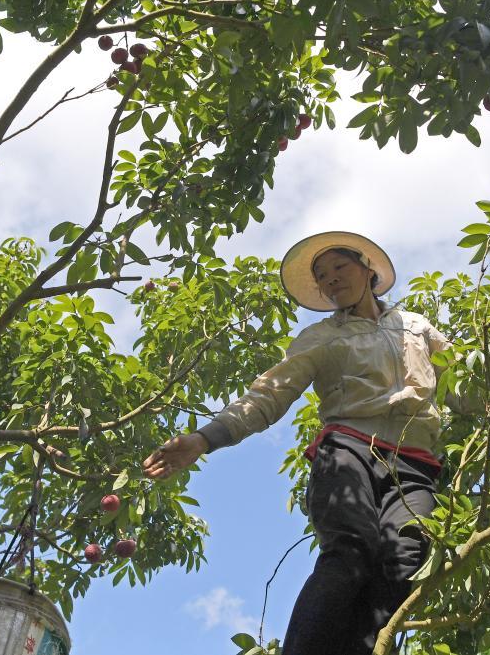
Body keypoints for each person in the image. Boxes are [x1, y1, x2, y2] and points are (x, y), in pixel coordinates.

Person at [142, 231, 470, 655]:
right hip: (350, 448)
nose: (330, 279)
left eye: (339, 267)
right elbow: (270, 394)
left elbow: (466, 386)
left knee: (405, 560)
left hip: (415, 465)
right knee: (352, 549)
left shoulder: (417, 327)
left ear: (368, 269)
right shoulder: (321, 337)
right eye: (321, 275)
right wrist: (206, 438)